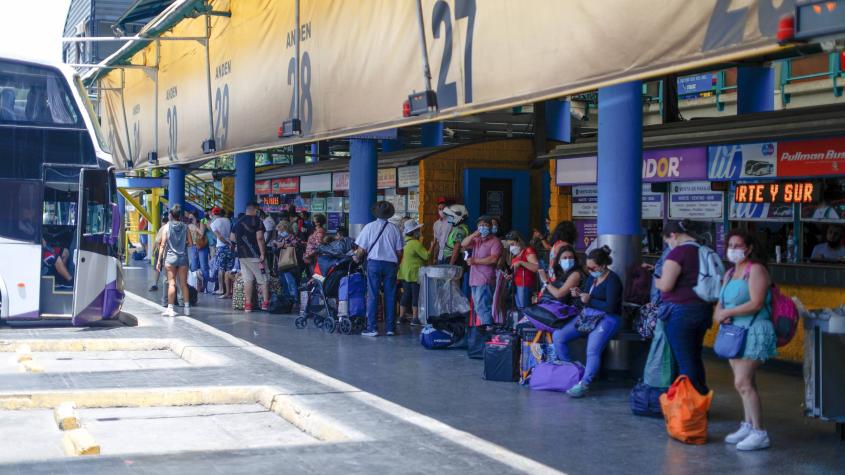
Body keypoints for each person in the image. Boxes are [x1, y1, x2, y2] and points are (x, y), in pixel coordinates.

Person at [714, 230, 777, 451]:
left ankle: (760, 433)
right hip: (734, 333)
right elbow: (720, 300)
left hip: (755, 330)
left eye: (738, 245)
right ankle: (748, 425)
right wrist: (719, 312)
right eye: (730, 244)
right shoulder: (730, 273)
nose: (732, 249)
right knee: (745, 382)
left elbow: (757, 303)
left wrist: (726, 312)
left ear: (749, 248)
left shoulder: (756, 270)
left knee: (742, 382)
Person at [552, 246, 622, 398]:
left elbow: (610, 307)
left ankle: (585, 383)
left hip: (608, 317)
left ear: (603, 265)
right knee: (558, 336)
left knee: (592, 349)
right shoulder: (592, 278)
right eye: (588, 268)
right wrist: (579, 294)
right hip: (589, 314)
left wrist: (589, 299)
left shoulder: (613, 280)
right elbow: (586, 297)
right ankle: (571, 371)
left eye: (593, 268)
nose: (590, 271)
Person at [654, 219, 714, 395]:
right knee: (694, 357)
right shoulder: (702, 250)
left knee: (684, 361)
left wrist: (656, 280)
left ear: (673, 235)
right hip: (702, 310)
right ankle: (701, 400)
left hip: (681, 313)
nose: (668, 245)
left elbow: (666, 285)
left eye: (667, 241)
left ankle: (690, 404)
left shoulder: (678, 253)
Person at [355, 201, 404, 337]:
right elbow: (400, 252)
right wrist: (397, 264)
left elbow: (361, 250)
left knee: (373, 295)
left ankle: (372, 327)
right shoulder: (395, 229)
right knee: (391, 295)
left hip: (374, 264)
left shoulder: (369, 227)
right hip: (390, 265)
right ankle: (390, 328)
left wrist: (356, 259)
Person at [461, 215, 503, 328]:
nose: (482, 227)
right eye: (480, 225)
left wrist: (475, 260)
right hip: (474, 279)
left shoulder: (495, 242)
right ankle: (485, 332)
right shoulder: (476, 240)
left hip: (485, 279)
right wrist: (474, 234)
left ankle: (487, 332)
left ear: (490, 226)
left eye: (484, 225)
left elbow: (493, 259)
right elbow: (463, 244)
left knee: (483, 307)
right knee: (478, 307)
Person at [230, 201, 270, 312]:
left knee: (248, 279)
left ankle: (248, 305)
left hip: (242, 256)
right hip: (255, 255)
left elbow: (232, 238)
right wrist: (262, 253)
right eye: (257, 210)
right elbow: (260, 238)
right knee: (263, 279)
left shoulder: (237, 222)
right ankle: (265, 304)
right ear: (254, 210)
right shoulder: (257, 221)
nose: (258, 212)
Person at [157, 205, 193, 317]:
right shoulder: (186, 227)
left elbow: (162, 244)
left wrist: (159, 260)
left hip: (170, 258)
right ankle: (187, 309)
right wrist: (182, 244)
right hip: (183, 258)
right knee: (183, 284)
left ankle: (170, 309)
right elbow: (191, 243)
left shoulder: (167, 227)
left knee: (171, 283)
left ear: (171, 215)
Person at [398, 219, 432, 326]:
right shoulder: (415, 243)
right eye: (418, 230)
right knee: (415, 295)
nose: (419, 232)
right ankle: (415, 318)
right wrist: (433, 245)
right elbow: (426, 256)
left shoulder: (404, 242)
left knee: (406, 294)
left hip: (404, 273)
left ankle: (401, 317)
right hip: (414, 274)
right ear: (414, 232)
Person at [505, 231, 539, 309]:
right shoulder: (515, 255)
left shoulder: (528, 251)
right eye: (510, 245)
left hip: (525, 285)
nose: (511, 247)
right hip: (517, 285)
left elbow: (536, 268)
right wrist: (510, 275)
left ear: (519, 241)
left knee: (525, 310)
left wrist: (521, 262)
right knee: (520, 309)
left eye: (512, 244)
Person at [271, 220, 300, 301]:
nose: (278, 229)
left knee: (290, 281)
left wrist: (283, 245)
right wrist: (275, 245)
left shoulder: (291, 236)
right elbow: (274, 249)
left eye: (280, 227)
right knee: (284, 282)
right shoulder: (279, 237)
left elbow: (297, 245)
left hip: (288, 263)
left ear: (284, 227)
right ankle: (287, 299)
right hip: (280, 263)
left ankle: (294, 298)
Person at [210, 207, 234, 299]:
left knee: (221, 268)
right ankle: (228, 291)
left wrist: (226, 242)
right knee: (228, 269)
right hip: (229, 247)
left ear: (213, 214)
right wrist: (229, 243)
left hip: (221, 247)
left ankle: (221, 289)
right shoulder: (228, 220)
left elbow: (219, 236)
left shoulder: (214, 223)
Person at [149, 216, 169, 292]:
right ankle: (166, 285)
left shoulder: (163, 228)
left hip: (161, 251)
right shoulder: (169, 228)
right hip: (167, 252)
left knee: (157, 268)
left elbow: (156, 241)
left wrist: (153, 251)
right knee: (165, 269)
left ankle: (155, 284)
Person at [432, 196, 453, 263]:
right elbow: (437, 242)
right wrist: (435, 257)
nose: (441, 211)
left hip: (450, 255)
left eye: (443, 209)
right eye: (439, 209)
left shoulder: (453, 222)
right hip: (440, 256)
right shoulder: (436, 224)